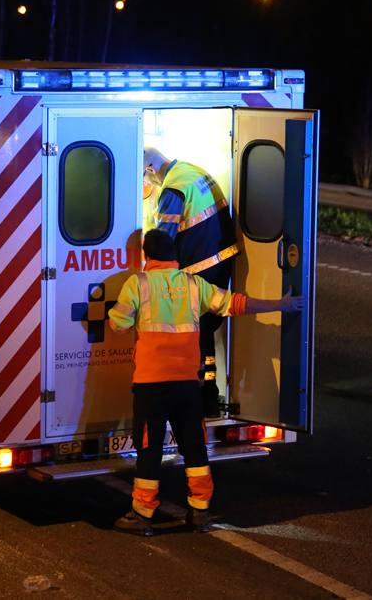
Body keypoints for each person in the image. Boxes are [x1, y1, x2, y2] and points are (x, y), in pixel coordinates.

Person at [108, 230, 302, 535]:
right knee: (194, 447)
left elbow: (117, 324)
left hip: (151, 385)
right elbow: (236, 304)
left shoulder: (139, 283)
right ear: (175, 256)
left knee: (150, 449)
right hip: (187, 385)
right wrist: (282, 304)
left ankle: (142, 514)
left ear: (147, 256)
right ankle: (200, 511)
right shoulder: (192, 284)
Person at [143, 146, 238, 418]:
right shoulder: (191, 171)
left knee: (191, 338)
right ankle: (207, 396)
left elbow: (163, 240)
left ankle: (191, 400)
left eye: (146, 179)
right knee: (205, 335)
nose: (148, 187)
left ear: (150, 169)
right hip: (219, 263)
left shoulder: (172, 190)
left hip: (201, 269)